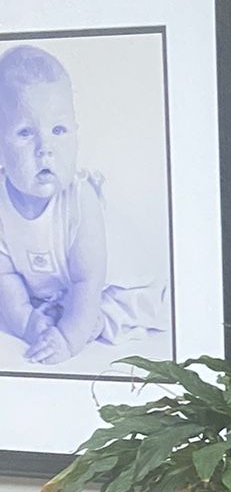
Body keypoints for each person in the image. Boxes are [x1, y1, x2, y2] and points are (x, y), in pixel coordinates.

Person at [0, 43, 166, 366]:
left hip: (104, 281)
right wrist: (30, 325)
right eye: (24, 133)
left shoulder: (80, 201)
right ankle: (60, 312)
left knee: (114, 305)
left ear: (76, 134)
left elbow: (87, 280)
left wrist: (67, 339)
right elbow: (5, 277)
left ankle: (95, 322)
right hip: (52, 288)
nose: (45, 148)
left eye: (58, 130)